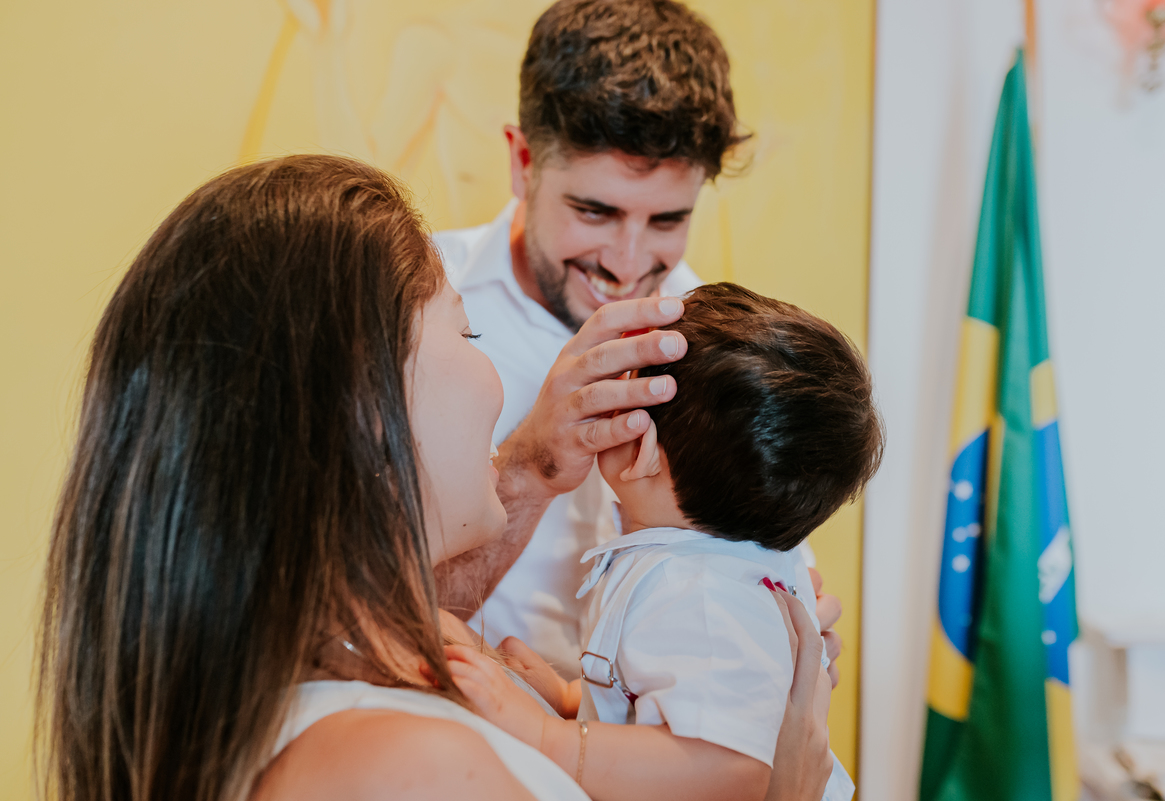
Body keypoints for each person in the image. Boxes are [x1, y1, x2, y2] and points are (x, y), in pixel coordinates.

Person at [36, 155, 834, 801]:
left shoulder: (371, 665)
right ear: (367, 409)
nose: (504, 377)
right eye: (467, 327)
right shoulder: (403, 767)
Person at [432, 0, 845, 687]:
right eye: (595, 211)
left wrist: (798, 633)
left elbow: (775, 588)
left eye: (666, 220)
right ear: (523, 160)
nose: (627, 263)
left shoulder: (715, 340)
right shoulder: (411, 313)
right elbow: (370, 628)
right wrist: (530, 464)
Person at [441, 283, 882, 801]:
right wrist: (569, 698)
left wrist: (551, 738)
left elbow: (729, 767)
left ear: (641, 443)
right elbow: (667, 693)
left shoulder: (695, 593)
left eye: (624, 383)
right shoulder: (714, 565)